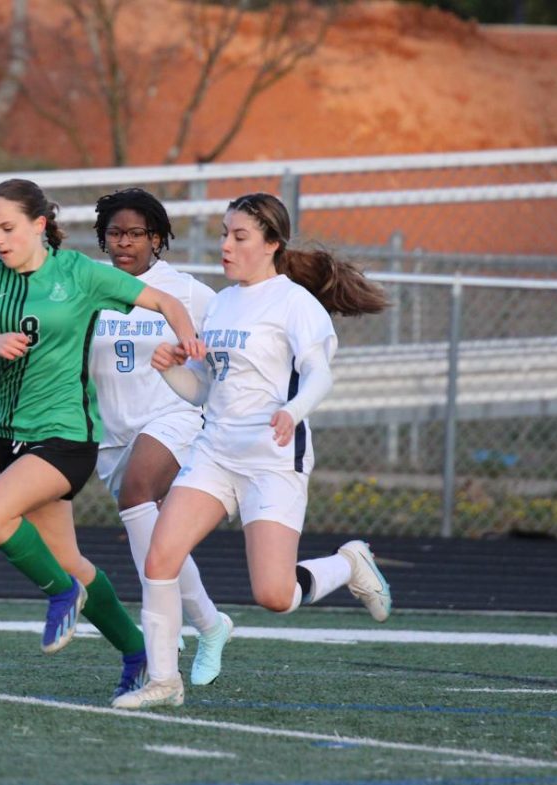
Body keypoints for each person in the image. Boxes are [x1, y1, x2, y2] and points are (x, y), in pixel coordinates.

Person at [111, 192, 393, 710]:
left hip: (271, 460)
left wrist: (293, 411)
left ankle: (349, 564)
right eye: (224, 233)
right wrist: (171, 366)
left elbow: (319, 374)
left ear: (271, 244)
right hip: (215, 453)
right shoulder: (221, 303)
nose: (226, 245)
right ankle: (163, 681)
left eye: (239, 236)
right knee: (160, 557)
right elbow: (202, 389)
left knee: (274, 595)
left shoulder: (295, 304)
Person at [0, 178, 205, 704]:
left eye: (8, 228)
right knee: (70, 557)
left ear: (39, 224)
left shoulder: (79, 273)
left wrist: (186, 338)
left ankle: (62, 595)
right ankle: (136, 651)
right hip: (13, 436)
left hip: (67, 436)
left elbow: (167, 302)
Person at [88, 188, 233, 687]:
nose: (123, 242)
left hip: (173, 416)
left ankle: (163, 623)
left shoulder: (187, 291)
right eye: (114, 233)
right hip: (111, 430)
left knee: (138, 493)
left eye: (134, 233)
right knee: (159, 536)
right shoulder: (91, 285)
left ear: (156, 238)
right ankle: (211, 624)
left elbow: (225, 342)